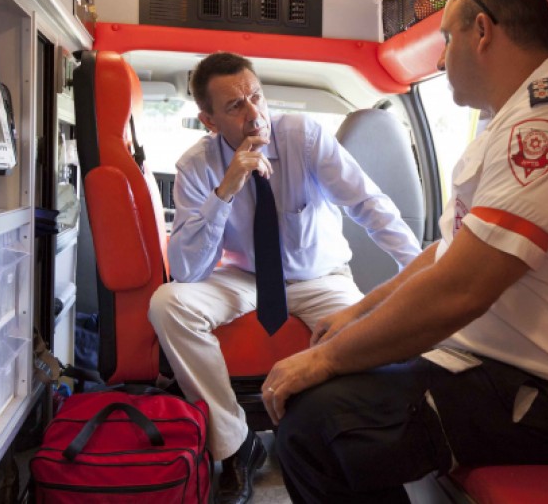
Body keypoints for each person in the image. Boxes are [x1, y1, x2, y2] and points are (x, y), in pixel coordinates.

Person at [261, 0, 548, 503]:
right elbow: (443, 256)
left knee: (314, 427)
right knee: (323, 407)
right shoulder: (506, 125)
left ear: (483, 32)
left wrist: (324, 358)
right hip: (494, 370)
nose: (442, 58)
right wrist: (357, 315)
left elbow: (461, 289)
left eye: (447, 38)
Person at [147, 52, 422, 504]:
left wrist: (416, 272)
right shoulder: (195, 167)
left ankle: (349, 442)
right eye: (235, 106)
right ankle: (237, 443)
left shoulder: (304, 137)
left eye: (255, 96)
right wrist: (226, 190)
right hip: (245, 276)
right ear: (209, 120)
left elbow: (368, 204)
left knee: (369, 340)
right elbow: (187, 270)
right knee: (167, 303)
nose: (254, 113)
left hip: (320, 276)